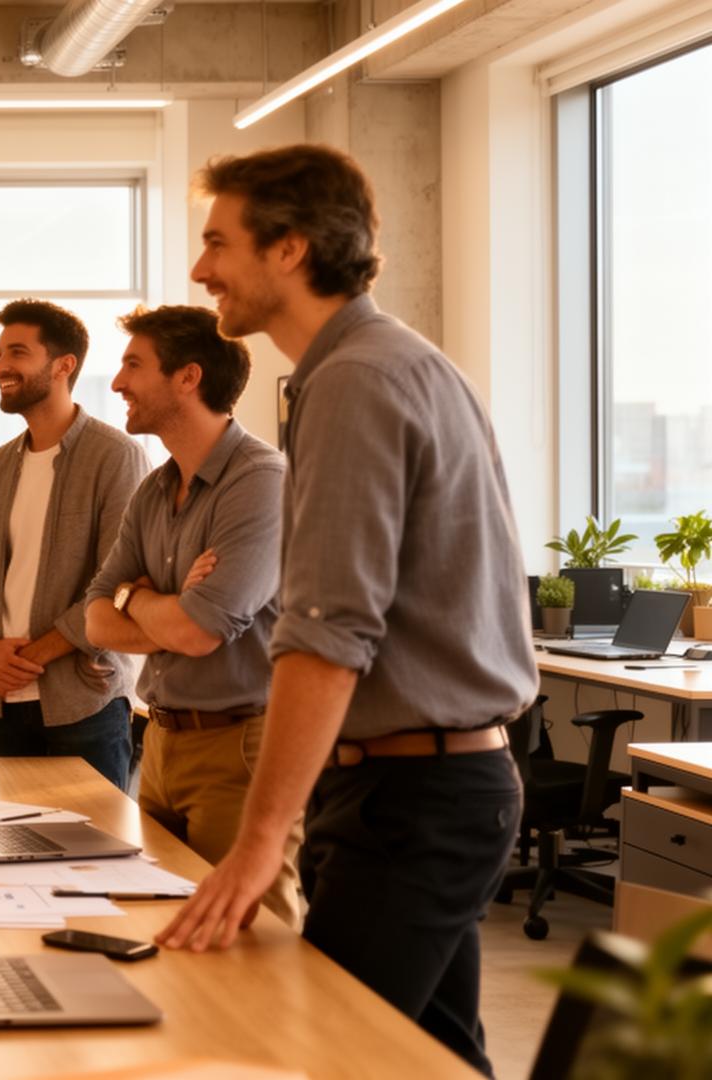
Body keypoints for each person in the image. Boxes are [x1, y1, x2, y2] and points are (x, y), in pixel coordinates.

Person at [156, 145, 534, 1078]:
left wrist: (257, 847)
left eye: (219, 243)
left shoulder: (356, 379)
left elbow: (328, 634)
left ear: (289, 248)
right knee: (434, 1061)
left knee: (329, 1056)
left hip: (414, 801)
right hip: (427, 788)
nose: (201, 269)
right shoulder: (388, 362)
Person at [83, 304, 302, 928]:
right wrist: (155, 601)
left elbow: (199, 631)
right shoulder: (154, 489)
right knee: (169, 928)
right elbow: (94, 618)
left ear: (188, 377)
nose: (118, 382)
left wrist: (136, 597)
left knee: (251, 938)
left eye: (134, 365)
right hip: (160, 742)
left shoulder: (260, 481)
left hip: (240, 746)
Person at [0, 299, 147, 789]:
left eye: (17, 352)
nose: (1, 365)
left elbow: (118, 583)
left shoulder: (116, 456)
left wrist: (32, 656)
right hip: (2, 700)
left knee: (93, 839)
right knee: (9, 834)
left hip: (86, 701)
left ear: (64, 365)